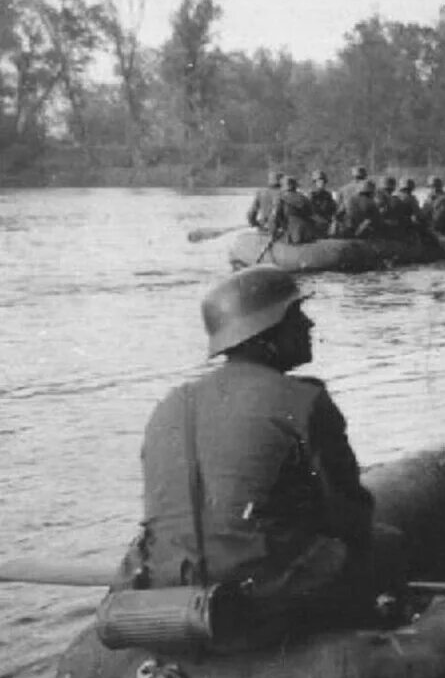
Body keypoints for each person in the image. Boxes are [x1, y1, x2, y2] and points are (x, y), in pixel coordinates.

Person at [111, 265, 403, 636]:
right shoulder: (304, 401)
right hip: (257, 595)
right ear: (266, 334)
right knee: (387, 544)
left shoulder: (171, 404)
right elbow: (350, 517)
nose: (309, 325)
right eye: (296, 315)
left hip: (169, 586)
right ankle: (378, 641)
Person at [273, 175, 320, 244]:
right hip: (308, 233)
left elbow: (276, 217)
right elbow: (312, 215)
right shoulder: (304, 198)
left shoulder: (281, 199)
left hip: (292, 235)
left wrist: (275, 232)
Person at [308, 170, 338, 234]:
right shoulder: (312, 195)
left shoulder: (328, 195)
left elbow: (333, 209)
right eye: (319, 181)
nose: (321, 183)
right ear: (315, 183)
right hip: (316, 224)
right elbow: (310, 212)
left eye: (323, 181)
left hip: (326, 223)